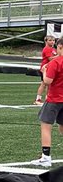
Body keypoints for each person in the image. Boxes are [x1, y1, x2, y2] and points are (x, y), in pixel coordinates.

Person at [30, 37, 63, 167]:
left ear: (60, 47)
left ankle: (46, 157)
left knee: (45, 126)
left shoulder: (56, 62)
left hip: (54, 99)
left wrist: (44, 72)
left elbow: (48, 81)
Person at [35, 34, 56, 105]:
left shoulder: (53, 49)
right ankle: (38, 99)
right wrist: (59, 56)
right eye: (50, 40)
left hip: (50, 68)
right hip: (45, 68)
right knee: (44, 84)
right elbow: (50, 58)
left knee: (49, 85)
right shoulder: (47, 49)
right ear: (46, 41)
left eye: (53, 40)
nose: (52, 42)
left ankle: (47, 98)